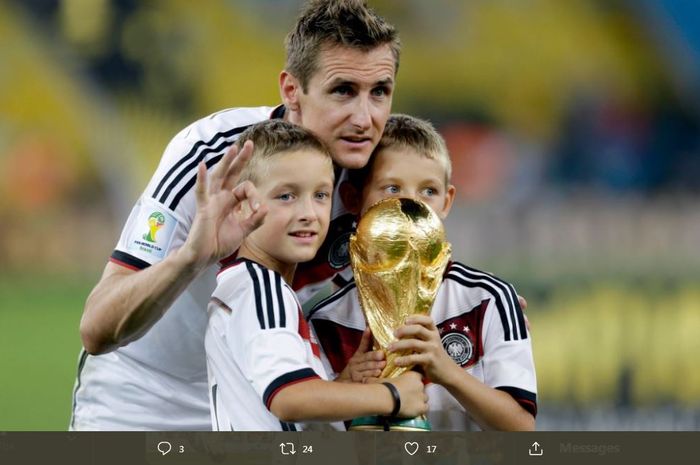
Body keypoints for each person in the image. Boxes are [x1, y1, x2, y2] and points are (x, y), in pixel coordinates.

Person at [71, 0, 402, 430]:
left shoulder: (387, 174)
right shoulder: (215, 155)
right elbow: (97, 328)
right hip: (147, 399)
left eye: (380, 91)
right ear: (291, 92)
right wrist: (191, 258)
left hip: (268, 396)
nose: (365, 118)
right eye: (343, 91)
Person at [308, 114, 537, 431]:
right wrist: (348, 386)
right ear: (353, 199)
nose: (410, 205)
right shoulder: (326, 321)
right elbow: (308, 432)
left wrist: (446, 370)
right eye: (392, 188)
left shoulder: (490, 300)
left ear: (447, 201)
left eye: (428, 191)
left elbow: (522, 429)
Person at [205, 119, 427, 431]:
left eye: (320, 195)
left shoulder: (249, 284)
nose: (309, 213)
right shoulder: (262, 290)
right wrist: (390, 395)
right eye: (286, 196)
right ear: (242, 205)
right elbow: (288, 398)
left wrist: (345, 384)